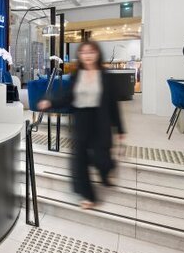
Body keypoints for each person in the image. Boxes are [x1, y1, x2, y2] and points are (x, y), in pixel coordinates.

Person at [37, 40, 125, 209]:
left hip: (100, 119)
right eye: (84, 53)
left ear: (97, 54)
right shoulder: (77, 75)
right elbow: (68, 96)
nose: (88, 56)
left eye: (91, 52)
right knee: (80, 159)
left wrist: (120, 129)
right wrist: (50, 102)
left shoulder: (105, 76)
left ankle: (107, 170)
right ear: (80, 56)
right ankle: (88, 195)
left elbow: (113, 104)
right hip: (81, 119)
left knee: (102, 158)